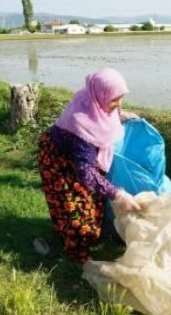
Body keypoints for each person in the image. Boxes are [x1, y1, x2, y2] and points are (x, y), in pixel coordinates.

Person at [36, 68, 141, 264]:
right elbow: (86, 173)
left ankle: (83, 236)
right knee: (73, 208)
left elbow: (108, 111)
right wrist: (119, 194)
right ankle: (76, 255)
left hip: (78, 157)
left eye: (121, 98)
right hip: (56, 159)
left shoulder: (94, 100)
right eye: (113, 100)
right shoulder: (81, 122)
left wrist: (121, 114)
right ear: (99, 96)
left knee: (92, 201)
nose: (118, 103)